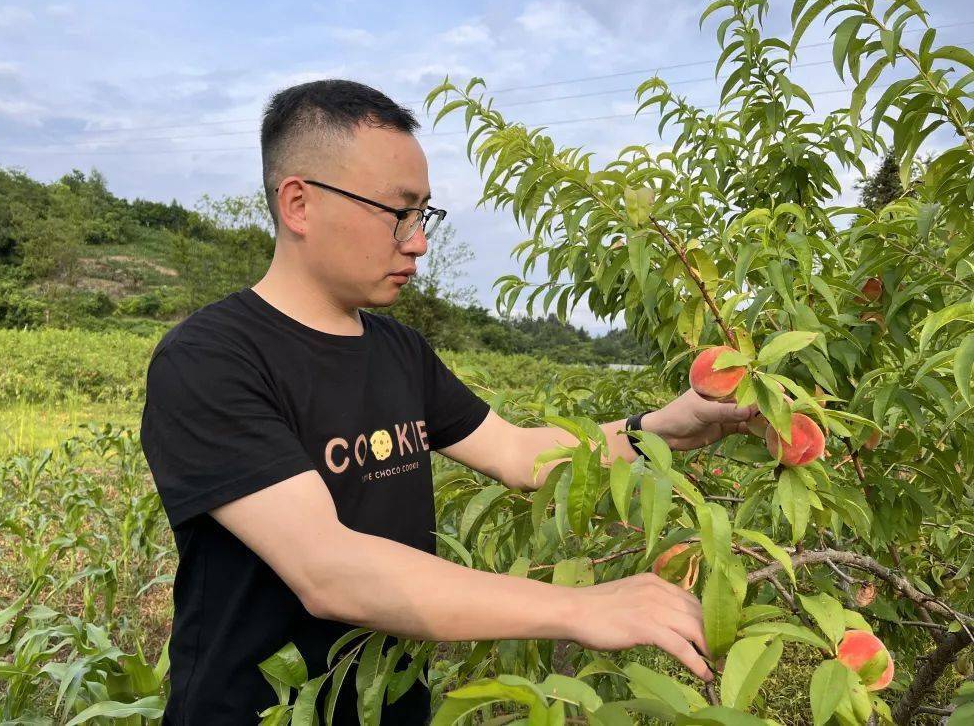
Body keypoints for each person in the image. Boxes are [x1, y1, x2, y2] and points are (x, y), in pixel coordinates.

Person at [139, 79, 756, 725]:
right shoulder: (210, 359)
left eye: (424, 214)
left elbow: (516, 454)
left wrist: (661, 428)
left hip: (393, 702)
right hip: (259, 712)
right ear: (299, 202)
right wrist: (580, 607)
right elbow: (328, 569)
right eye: (398, 212)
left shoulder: (397, 350)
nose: (419, 242)